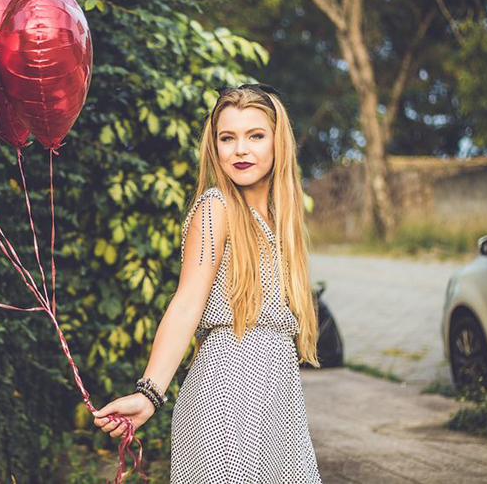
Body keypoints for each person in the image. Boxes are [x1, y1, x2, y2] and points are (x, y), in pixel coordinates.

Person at [91, 84, 323, 483]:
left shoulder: (279, 221)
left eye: (255, 135)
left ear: (277, 141)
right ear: (214, 147)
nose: (240, 149)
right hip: (227, 396)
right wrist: (149, 392)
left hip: (277, 401)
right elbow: (186, 303)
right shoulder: (216, 208)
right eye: (227, 138)